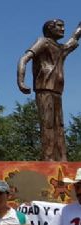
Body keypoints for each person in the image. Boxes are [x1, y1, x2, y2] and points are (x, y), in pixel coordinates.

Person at [17, 20, 81, 161]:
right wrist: (21, 81)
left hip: (57, 91)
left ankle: (63, 157)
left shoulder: (61, 48)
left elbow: (74, 38)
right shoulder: (43, 42)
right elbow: (24, 58)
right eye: (59, 26)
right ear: (49, 28)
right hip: (44, 89)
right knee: (47, 124)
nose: (63, 29)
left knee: (60, 125)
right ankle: (49, 158)